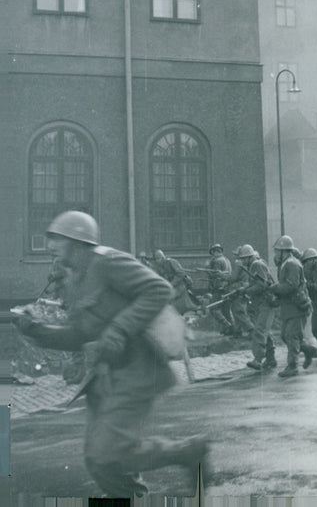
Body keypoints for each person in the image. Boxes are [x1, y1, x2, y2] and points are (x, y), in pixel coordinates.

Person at [13, 211, 209, 497]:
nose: (50, 246)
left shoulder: (108, 261)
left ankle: (188, 452)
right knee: (98, 461)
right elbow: (79, 335)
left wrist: (120, 328)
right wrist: (36, 330)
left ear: (78, 242)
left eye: (57, 239)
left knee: (108, 454)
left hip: (138, 369)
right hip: (105, 376)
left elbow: (159, 289)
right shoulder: (74, 279)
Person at [272, 236, 317, 377]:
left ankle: (292, 366)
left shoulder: (292, 264)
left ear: (284, 251)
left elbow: (291, 285)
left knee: (291, 336)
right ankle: (308, 350)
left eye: (277, 251)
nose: (275, 254)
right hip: (289, 306)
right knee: (285, 336)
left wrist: (275, 288)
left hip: (297, 306)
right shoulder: (285, 263)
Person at [233, 244, 278, 371]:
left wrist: (245, 291)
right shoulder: (255, 265)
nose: (241, 261)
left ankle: (258, 359)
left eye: (243, 258)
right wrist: (244, 289)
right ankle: (271, 359)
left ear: (248, 257)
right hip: (262, 303)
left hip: (266, 302)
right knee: (264, 331)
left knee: (259, 331)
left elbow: (261, 286)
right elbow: (257, 283)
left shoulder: (256, 265)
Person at [219, 246, 256, 339]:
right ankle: (237, 332)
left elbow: (233, 278)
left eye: (236, 254)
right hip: (243, 288)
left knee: (239, 312)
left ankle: (252, 330)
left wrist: (222, 276)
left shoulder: (239, 264)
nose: (235, 256)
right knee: (237, 311)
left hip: (239, 289)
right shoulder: (246, 264)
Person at [152, 250, 197, 315]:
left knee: (177, 305)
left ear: (163, 257)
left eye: (158, 259)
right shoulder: (159, 267)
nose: (157, 261)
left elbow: (181, 273)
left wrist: (172, 283)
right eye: (156, 259)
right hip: (170, 287)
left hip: (179, 286)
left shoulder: (171, 262)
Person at [206, 244, 235, 336]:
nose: (213, 255)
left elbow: (215, 274)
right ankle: (232, 329)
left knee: (212, 308)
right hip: (227, 288)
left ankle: (227, 325)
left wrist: (208, 270)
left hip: (219, 288)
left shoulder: (217, 261)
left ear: (214, 252)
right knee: (226, 310)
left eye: (213, 253)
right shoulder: (227, 260)